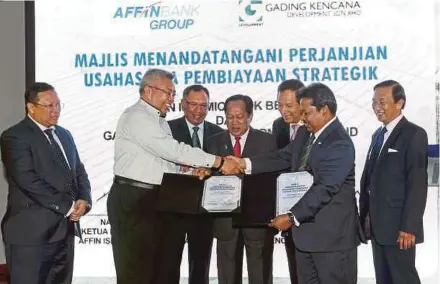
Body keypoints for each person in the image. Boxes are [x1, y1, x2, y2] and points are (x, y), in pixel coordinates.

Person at [106, 68, 241, 284]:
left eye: (173, 94)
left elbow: (166, 163)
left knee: (157, 271)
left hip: (154, 200)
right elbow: (172, 150)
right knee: (136, 271)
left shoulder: (158, 120)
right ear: (149, 90)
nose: (171, 99)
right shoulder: (137, 116)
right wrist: (219, 161)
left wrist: (187, 172)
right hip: (134, 199)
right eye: (168, 93)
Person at [229, 83, 361, 284]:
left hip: (331, 241)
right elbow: (283, 157)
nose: (303, 117)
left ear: (324, 111)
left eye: (306, 112)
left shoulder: (339, 143)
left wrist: (291, 217)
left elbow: (325, 188)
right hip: (306, 237)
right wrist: (244, 163)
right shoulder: (306, 133)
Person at [0, 82, 92, 284]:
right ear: (31, 107)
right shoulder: (14, 136)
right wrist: (68, 206)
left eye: (58, 105)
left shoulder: (64, 134)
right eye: (49, 106)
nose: (56, 110)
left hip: (64, 232)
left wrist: (84, 199)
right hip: (30, 237)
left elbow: (78, 171)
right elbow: (28, 180)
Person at [359, 80, 428, 284]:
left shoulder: (414, 134)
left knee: (403, 278)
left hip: (400, 229)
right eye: (374, 102)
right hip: (377, 226)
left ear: (399, 103)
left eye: (382, 101)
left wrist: (409, 227)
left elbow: (417, 184)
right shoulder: (377, 135)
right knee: (384, 279)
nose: (377, 107)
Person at [206, 94, 277, 284]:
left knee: (260, 272)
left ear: (250, 116)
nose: (234, 122)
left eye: (239, 117)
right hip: (225, 219)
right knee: (227, 274)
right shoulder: (212, 142)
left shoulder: (268, 142)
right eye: (230, 117)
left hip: (258, 219)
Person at [156, 84, 224, 284]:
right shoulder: (166, 129)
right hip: (173, 207)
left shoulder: (218, 132)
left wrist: (210, 170)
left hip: (204, 209)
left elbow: (220, 167)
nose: (198, 110)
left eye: (204, 106)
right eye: (193, 105)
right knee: (169, 263)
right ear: (183, 104)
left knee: (201, 265)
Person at [271, 79, 305, 284]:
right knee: (294, 265)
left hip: (312, 212)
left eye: (289, 105)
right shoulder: (279, 126)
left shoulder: (316, 126)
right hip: (287, 209)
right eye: (279, 105)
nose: (283, 111)